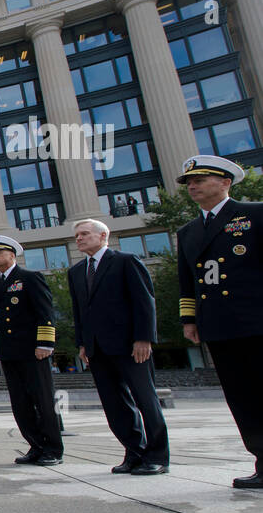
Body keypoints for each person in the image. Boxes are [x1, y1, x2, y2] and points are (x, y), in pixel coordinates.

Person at [175, 155, 263, 488]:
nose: (193, 186)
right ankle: (261, 460)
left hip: (257, 320)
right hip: (219, 325)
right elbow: (188, 282)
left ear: (225, 182)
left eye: (200, 180)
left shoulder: (255, 215)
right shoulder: (189, 231)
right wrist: (189, 319)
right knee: (241, 397)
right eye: (189, 183)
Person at [69, 217, 168, 475]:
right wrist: (82, 343)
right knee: (115, 404)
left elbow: (144, 302)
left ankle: (157, 456)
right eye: (77, 235)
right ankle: (134, 452)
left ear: (103, 236)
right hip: (97, 349)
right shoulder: (76, 271)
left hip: (130, 345)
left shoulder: (125, 261)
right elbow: (80, 311)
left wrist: (144, 338)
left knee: (146, 400)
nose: (79, 238)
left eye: (84, 234)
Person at [0, 234, 63, 466]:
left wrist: (45, 344)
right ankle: (36, 445)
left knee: (43, 400)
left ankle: (53, 449)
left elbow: (45, 313)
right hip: (9, 351)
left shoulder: (29, 278)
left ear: (12, 254)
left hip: (32, 350)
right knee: (20, 402)